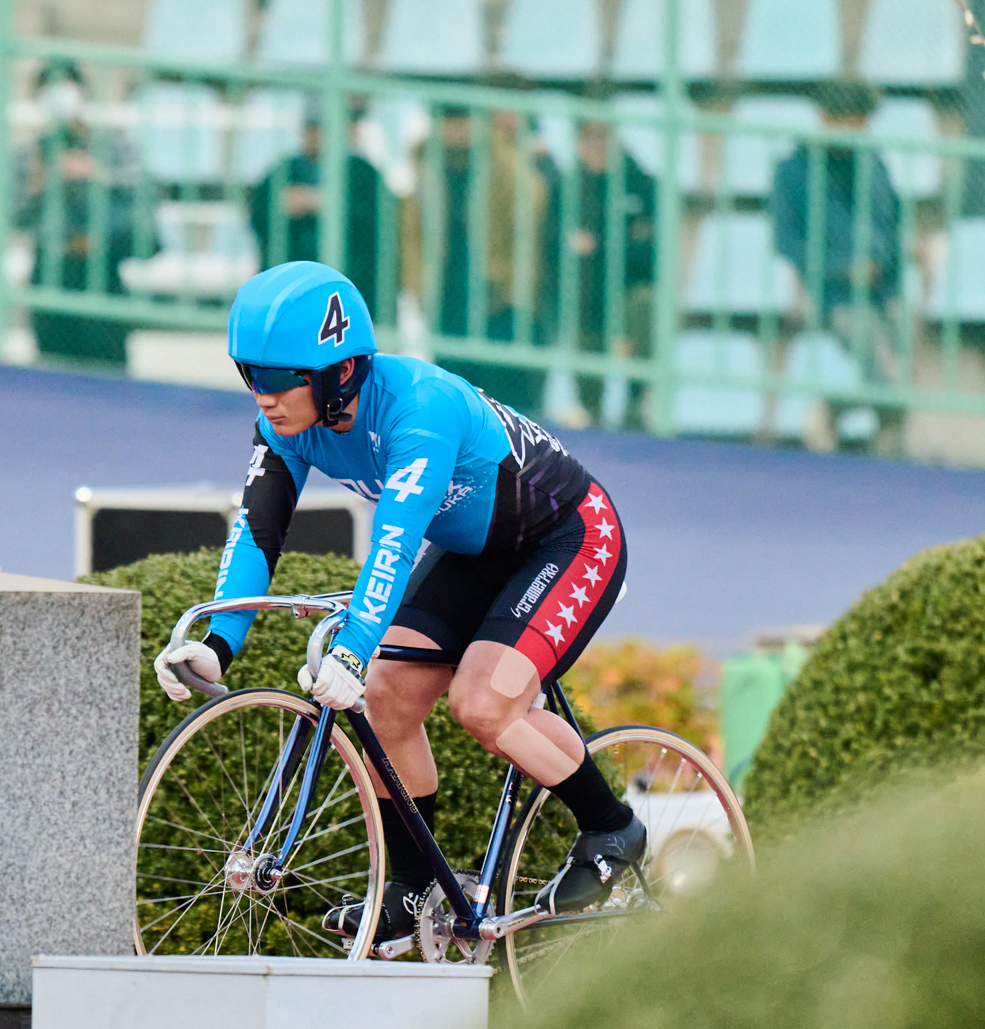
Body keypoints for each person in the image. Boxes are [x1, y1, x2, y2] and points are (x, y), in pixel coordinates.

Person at [153, 261, 643, 950]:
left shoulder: (419, 409)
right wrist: (219, 642)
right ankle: (411, 890)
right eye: (247, 376)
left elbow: (393, 542)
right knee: (385, 696)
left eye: (276, 378)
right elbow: (257, 531)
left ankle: (612, 826)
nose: (261, 397)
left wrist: (350, 648)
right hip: (477, 549)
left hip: (570, 539)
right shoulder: (291, 424)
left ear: (341, 373)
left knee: (482, 703)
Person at [770, 80, 905, 452]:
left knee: (902, 375)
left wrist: (887, 266)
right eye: (846, 120)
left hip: (884, 291)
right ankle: (851, 423)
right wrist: (842, 268)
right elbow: (786, 241)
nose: (854, 129)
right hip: (832, 293)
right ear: (826, 118)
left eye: (860, 121)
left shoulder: (874, 164)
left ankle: (835, 412)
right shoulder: (794, 170)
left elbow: (893, 224)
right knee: (886, 374)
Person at [401, 106, 546, 412]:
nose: (457, 129)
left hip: (498, 298)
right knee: (459, 396)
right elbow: (411, 232)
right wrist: (418, 284)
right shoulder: (426, 166)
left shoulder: (505, 165)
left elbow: (527, 221)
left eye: (463, 120)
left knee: (506, 399)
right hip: (446, 292)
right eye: (449, 120)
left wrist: (507, 281)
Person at [14, 60, 139, 368]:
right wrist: (39, 185)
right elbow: (15, 217)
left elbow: (139, 200)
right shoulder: (28, 155)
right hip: (51, 268)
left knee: (109, 373)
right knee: (52, 373)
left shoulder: (113, 147)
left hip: (102, 266)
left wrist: (96, 174)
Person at [538, 115, 658, 429]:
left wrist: (599, 245)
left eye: (603, 137)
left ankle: (636, 402)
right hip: (585, 292)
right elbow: (554, 243)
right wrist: (622, 242)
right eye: (589, 138)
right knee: (578, 304)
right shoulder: (566, 186)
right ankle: (592, 407)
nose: (597, 146)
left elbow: (653, 251)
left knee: (645, 304)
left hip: (631, 289)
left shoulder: (641, 183)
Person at [246, 103, 394, 314]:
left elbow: (378, 222)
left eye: (323, 129)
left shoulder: (362, 173)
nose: (316, 136)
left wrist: (321, 203)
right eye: (311, 128)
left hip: (352, 290)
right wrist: (281, 209)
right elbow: (258, 216)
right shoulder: (284, 171)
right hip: (292, 291)